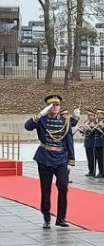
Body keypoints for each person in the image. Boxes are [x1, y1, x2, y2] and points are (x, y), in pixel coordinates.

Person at [24, 95, 79, 229]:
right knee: (46, 189)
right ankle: (46, 217)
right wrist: (41, 113)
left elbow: (69, 141)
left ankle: (61, 218)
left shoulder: (65, 121)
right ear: (48, 107)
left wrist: (71, 160)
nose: (55, 107)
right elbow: (27, 126)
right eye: (52, 105)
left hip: (61, 158)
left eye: (57, 105)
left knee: (63, 187)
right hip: (44, 158)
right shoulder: (41, 120)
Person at [79, 109, 96, 177]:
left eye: (91, 115)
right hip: (87, 142)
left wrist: (89, 128)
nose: (89, 116)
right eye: (88, 115)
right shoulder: (87, 121)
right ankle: (90, 170)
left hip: (92, 142)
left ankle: (93, 171)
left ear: (94, 116)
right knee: (89, 157)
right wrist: (82, 130)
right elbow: (84, 132)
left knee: (93, 158)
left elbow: (93, 132)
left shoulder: (95, 122)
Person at [93, 109, 104, 178]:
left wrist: (97, 128)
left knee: (101, 158)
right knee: (98, 158)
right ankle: (99, 171)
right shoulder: (97, 122)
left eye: (99, 114)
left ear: (102, 114)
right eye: (97, 114)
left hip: (102, 142)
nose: (98, 115)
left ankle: (102, 172)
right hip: (96, 142)